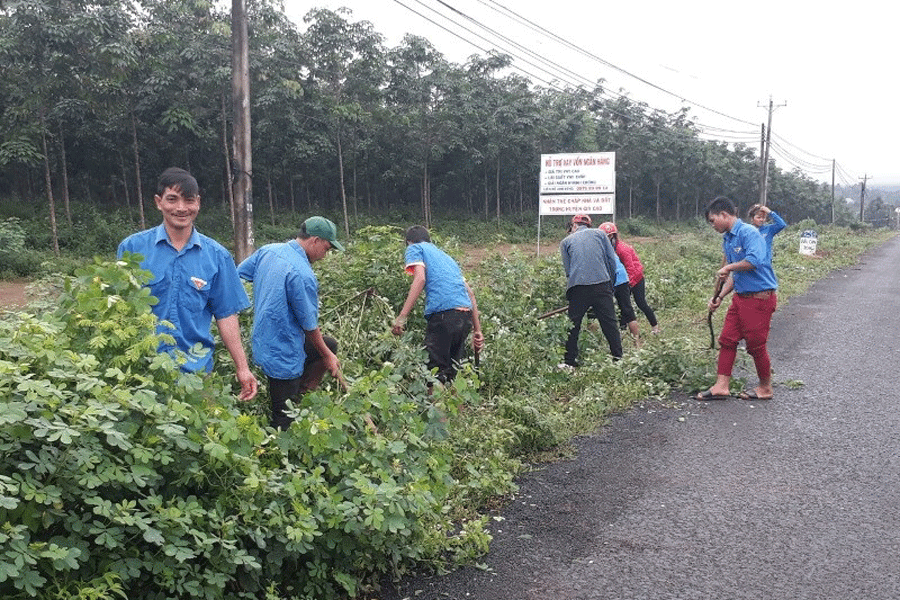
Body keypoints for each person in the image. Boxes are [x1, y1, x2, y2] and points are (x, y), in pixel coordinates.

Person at [117, 167, 257, 400]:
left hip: (197, 372)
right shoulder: (132, 249)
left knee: (200, 433)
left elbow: (226, 315)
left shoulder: (217, 256)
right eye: (172, 199)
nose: (181, 208)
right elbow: (117, 308)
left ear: (198, 203)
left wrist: (242, 368)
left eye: (188, 200)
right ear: (158, 202)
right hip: (142, 372)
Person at [237, 216, 345, 430]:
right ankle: (278, 450)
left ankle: (302, 391)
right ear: (314, 240)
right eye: (326, 248)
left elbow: (239, 274)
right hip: (283, 349)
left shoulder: (269, 250)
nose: (325, 256)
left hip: (262, 338)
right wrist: (327, 356)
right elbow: (310, 326)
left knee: (329, 343)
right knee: (283, 418)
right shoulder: (302, 274)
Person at [697, 196, 778, 401]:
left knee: (755, 345)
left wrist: (729, 266)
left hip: (759, 299)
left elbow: (754, 260)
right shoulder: (729, 238)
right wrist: (720, 297)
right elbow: (736, 275)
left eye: (713, 221)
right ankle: (721, 386)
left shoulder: (748, 232)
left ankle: (765, 388)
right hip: (741, 298)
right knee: (727, 339)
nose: (712, 226)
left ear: (724, 215)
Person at [391, 225, 484, 384]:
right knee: (453, 373)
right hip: (464, 315)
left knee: (434, 373)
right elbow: (471, 294)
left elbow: (420, 279)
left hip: (444, 314)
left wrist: (401, 317)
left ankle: (436, 408)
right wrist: (478, 330)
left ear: (409, 242)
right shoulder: (447, 258)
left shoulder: (415, 248)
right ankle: (456, 407)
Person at [558, 214, 622, 370]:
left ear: (574, 226)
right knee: (610, 323)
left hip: (578, 287)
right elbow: (611, 260)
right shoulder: (600, 234)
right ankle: (618, 359)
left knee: (573, 325)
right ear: (589, 225)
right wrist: (610, 284)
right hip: (602, 284)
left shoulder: (565, 242)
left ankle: (569, 362)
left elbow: (568, 270)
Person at [598, 221, 660, 334]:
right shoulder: (608, 248)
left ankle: (655, 326)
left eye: (606, 237)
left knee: (641, 303)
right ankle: (623, 331)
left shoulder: (622, 249)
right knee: (623, 305)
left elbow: (630, 268)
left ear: (612, 236)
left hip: (636, 279)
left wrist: (628, 284)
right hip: (623, 280)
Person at [612, 252, 641, 348]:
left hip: (615, 278)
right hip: (621, 277)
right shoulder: (605, 243)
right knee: (627, 309)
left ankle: (636, 344)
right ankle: (636, 345)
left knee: (626, 310)